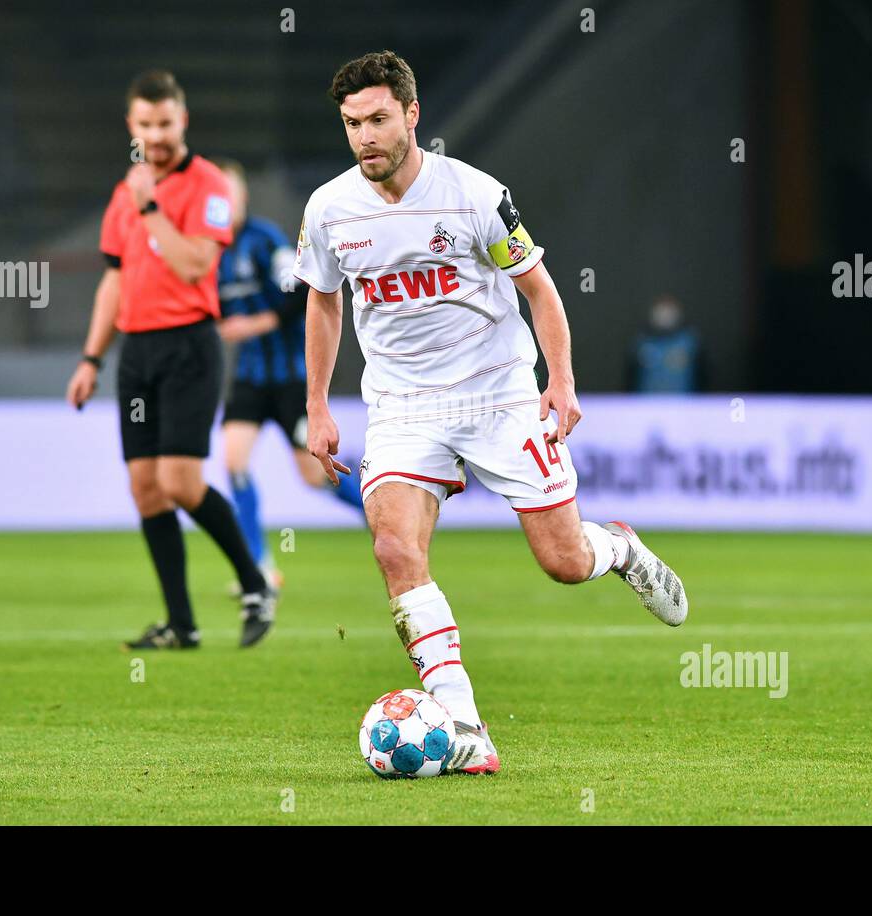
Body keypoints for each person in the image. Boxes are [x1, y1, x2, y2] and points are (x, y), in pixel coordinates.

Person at [294, 51, 690, 775]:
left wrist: (561, 381)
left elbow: (540, 291)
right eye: (352, 124)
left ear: (412, 116)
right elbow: (323, 301)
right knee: (393, 549)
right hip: (403, 404)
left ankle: (621, 549)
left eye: (378, 119)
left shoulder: (473, 196)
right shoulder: (329, 209)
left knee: (564, 563)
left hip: (499, 391)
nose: (365, 138)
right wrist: (317, 404)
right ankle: (467, 727)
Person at [65, 70, 276, 650]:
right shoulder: (123, 194)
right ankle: (181, 625)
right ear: (131, 126)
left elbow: (192, 265)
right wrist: (90, 358)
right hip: (137, 354)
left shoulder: (207, 185)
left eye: (164, 123)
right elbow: (113, 282)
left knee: (181, 483)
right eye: (145, 124)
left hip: (189, 347)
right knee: (145, 488)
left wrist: (152, 206)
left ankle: (256, 583)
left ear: (182, 120)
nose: (155, 135)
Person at [214, 160, 365, 584]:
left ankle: (377, 514)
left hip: (290, 380)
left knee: (314, 475)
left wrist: (253, 324)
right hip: (248, 378)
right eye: (216, 194)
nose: (224, 202)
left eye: (230, 192)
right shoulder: (210, 251)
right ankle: (260, 566)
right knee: (234, 461)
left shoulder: (264, 241)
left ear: (242, 196)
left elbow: (299, 289)